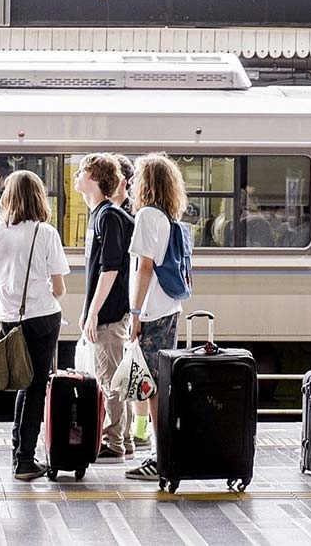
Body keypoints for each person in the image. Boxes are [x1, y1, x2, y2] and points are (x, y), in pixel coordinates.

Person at [0, 170, 69, 480]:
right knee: (35, 388)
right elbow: (59, 288)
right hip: (42, 317)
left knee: (22, 380)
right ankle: (24, 460)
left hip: (8, 317)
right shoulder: (45, 233)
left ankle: (19, 452)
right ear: (39, 197)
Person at [125, 153, 188, 481]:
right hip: (168, 308)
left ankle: (160, 456)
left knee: (152, 387)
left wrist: (135, 313)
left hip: (152, 312)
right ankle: (164, 453)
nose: (133, 183)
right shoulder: (166, 217)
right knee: (156, 384)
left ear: (147, 183)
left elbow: (144, 268)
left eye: (138, 177)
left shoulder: (147, 216)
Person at [74, 153, 134, 463]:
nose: (77, 176)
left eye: (82, 171)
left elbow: (110, 269)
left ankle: (114, 441)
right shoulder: (101, 214)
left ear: (96, 179)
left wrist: (94, 312)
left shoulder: (108, 216)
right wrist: (87, 310)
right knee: (113, 375)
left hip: (110, 313)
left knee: (109, 379)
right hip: (105, 310)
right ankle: (124, 438)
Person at [111, 154, 149, 453]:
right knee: (132, 369)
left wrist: (134, 310)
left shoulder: (129, 216)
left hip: (129, 304)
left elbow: (138, 266)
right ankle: (134, 432)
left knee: (137, 369)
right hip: (130, 303)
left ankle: (138, 432)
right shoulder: (123, 213)